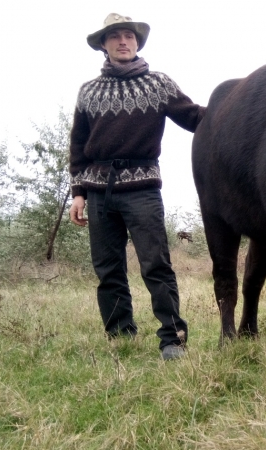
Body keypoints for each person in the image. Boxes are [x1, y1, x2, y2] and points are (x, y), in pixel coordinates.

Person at [69, 13, 205, 360]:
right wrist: (78, 194)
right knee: (108, 269)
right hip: (99, 192)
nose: (123, 42)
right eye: (115, 37)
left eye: (129, 36)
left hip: (143, 189)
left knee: (155, 265)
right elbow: (78, 146)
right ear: (104, 44)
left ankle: (172, 338)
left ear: (137, 42)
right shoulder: (88, 92)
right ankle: (120, 335)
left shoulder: (158, 84)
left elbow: (194, 117)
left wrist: (235, 107)